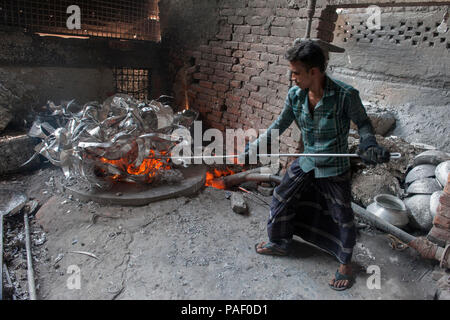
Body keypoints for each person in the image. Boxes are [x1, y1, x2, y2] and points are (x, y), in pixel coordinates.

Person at [244, 40, 390, 291]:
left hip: (334, 164)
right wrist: (256, 146)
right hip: (308, 158)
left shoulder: (346, 95)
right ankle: (280, 242)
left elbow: (364, 124)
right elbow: (279, 124)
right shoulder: (295, 95)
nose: (292, 78)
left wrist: (368, 145)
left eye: (296, 73)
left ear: (314, 72)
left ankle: (345, 263)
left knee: (342, 214)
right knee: (281, 196)